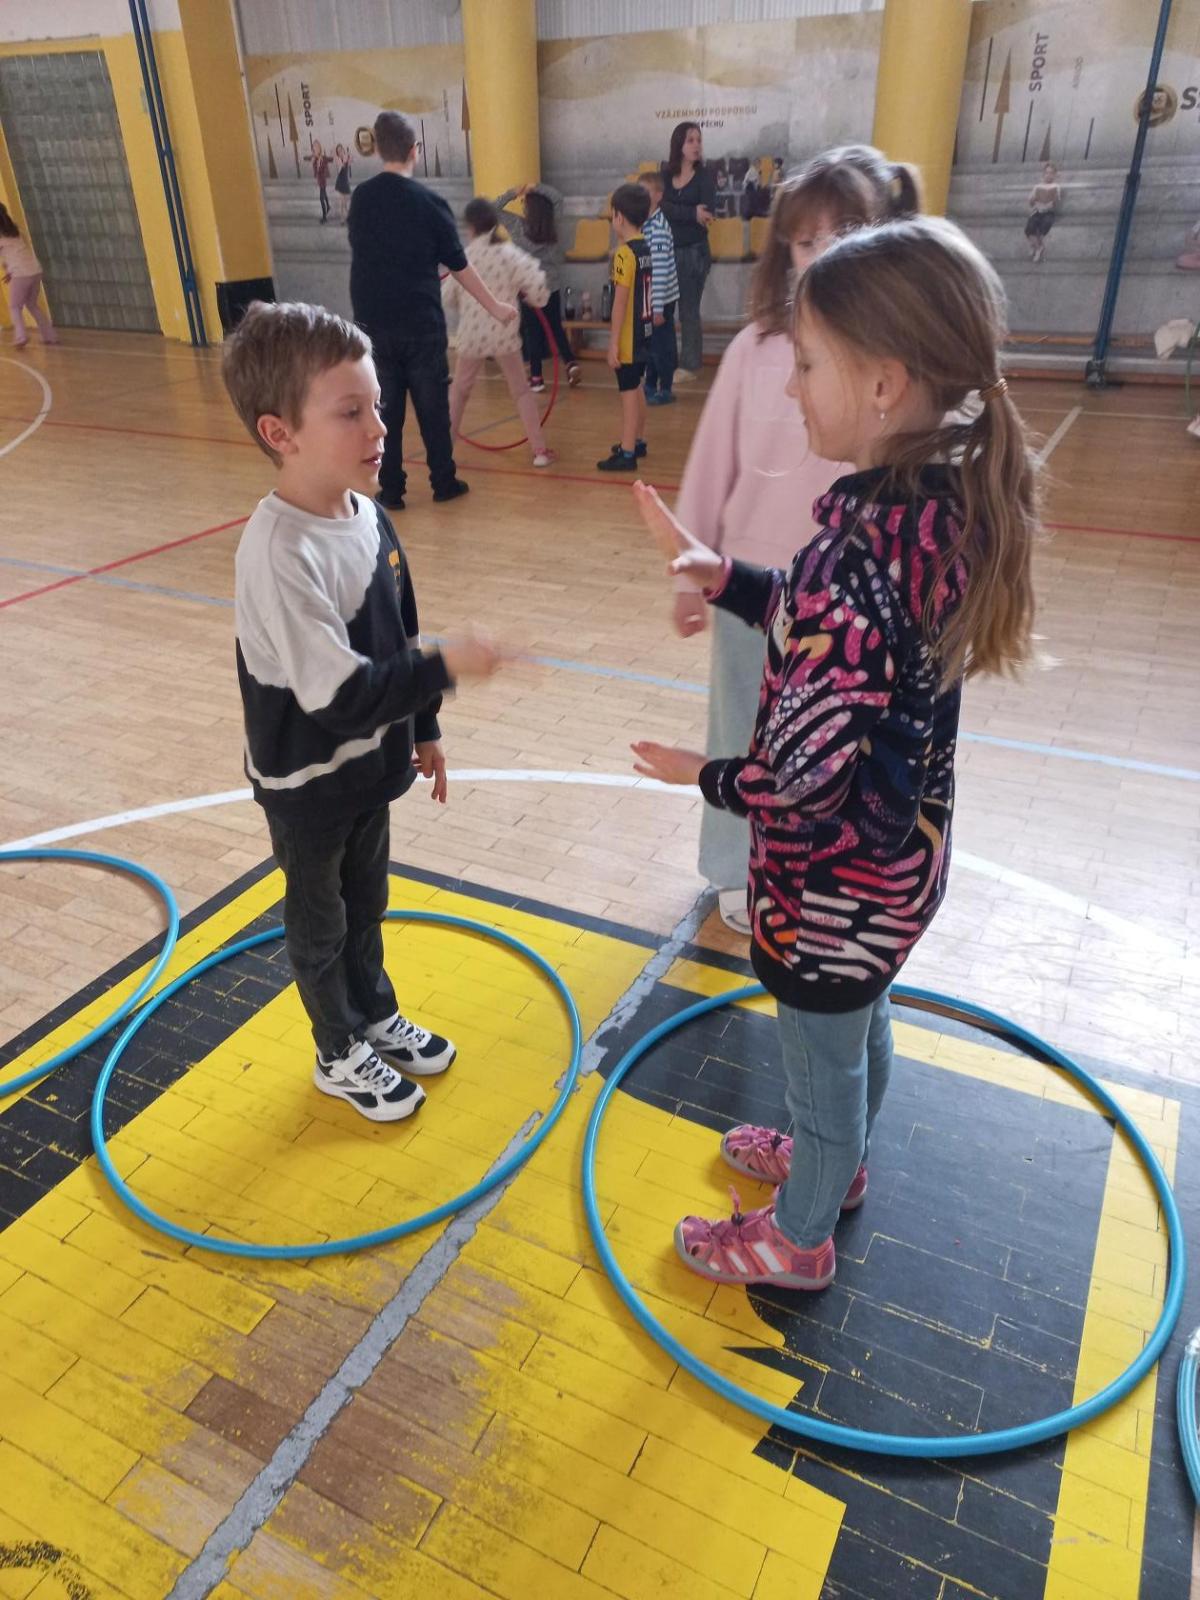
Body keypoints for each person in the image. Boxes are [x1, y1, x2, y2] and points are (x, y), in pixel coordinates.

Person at [631, 212, 1039, 1291]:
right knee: (859, 1029)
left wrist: (702, 775)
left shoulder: (851, 563)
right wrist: (731, 578)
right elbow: (841, 639)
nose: (792, 384)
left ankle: (799, 1234)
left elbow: (801, 777)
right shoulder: (932, 520)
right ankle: (838, 1160)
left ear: (884, 387)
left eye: (809, 363)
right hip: (894, 877)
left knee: (820, 1061)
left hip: (826, 896)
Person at [222, 300, 507, 1121]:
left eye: (377, 405)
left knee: (367, 902)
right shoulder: (279, 554)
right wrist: (448, 666)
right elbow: (343, 696)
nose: (380, 427)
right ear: (281, 433)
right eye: (351, 412)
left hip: (371, 767)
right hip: (310, 782)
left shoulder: (368, 514)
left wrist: (426, 726)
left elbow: (399, 631)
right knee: (320, 923)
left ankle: (373, 1013)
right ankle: (336, 1048)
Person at [673, 146, 921, 934]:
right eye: (807, 239)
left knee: (829, 744)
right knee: (739, 725)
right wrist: (688, 573)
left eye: (844, 233)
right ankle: (730, 867)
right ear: (785, 250)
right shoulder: (756, 348)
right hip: (749, 580)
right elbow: (712, 460)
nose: (823, 253)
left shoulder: (894, 359)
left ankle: (815, 867)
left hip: (852, 598)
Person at [348, 111, 517, 512]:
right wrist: (495, 306)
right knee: (432, 408)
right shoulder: (429, 203)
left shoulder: (362, 199)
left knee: (384, 410)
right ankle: (443, 481)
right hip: (420, 324)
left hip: (373, 324)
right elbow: (459, 265)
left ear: (379, 150)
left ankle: (391, 490)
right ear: (415, 151)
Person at [445, 198, 555, 469]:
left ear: (470, 227)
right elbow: (538, 283)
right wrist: (535, 298)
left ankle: (443, 453)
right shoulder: (509, 253)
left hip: (472, 335)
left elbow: (447, 295)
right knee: (521, 391)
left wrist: (464, 303)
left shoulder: (464, 256)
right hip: (503, 332)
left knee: (459, 392)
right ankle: (539, 451)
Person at [496, 180, 580, 390]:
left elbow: (492, 209)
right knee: (556, 327)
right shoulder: (554, 224)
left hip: (528, 288)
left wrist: (513, 192)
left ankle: (536, 378)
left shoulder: (517, 226)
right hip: (551, 285)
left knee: (532, 331)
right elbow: (558, 198)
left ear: (528, 209)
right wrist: (536, 187)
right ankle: (570, 363)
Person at [597, 183, 653, 473]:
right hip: (645, 332)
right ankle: (638, 441)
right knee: (637, 387)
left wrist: (613, 343)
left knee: (628, 394)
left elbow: (619, 303)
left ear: (619, 217)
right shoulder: (644, 248)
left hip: (630, 337)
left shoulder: (623, 254)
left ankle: (628, 452)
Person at [659, 122, 716, 382]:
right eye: (690, 140)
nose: (696, 145)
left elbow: (707, 214)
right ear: (679, 145)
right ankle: (667, 359)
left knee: (688, 310)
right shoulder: (665, 175)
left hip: (694, 252)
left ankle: (690, 365)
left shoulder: (705, 177)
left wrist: (680, 212)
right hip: (667, 251)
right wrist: (691, 212)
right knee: (665, 310)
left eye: (699, 140)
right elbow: (660, 206)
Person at [641, 171, 679, 406]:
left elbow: (660, 272)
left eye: (645, 192)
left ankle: (665, 387)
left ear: (658, 196)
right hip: (650, 298)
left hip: (660, 300)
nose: (641, 197)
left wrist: (656, 309)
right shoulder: (645, 225)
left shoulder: (659, 229)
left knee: (662, 346)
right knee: (650, 345)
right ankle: (650, 383)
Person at [0, 204, 58, 348]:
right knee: (32, 304)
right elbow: (17, 253)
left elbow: (8, 257)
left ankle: (21, 337)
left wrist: (10, 270)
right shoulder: (16, 231)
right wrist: (10, 271)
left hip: (20, 274)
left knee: (15, 307)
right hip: (35, 271)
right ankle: (50, 336)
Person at [1025, 163, 1060, 264]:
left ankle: (1035, 247)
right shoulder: (1037, 186)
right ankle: (1038, 247)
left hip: (1048, 212)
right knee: (1029, 228)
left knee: (1045, 225)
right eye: (1047, 173)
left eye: (1051, 173)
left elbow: (1056, 202)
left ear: (1054, 175)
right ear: (1043, 174)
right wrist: (1032, 199)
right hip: (1037, 211)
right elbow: (1031, 203)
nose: (1049, 175)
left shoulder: (1056, 186)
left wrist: (1051, 202)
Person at [309, 139, 332, 224]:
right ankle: (328, 206)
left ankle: (324, 217)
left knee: (321, 198)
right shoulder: (314, 158)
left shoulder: (322, 157)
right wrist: (313, 161)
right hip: (319, 179)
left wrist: (320, 162)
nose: (315, 148)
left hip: (322, 179)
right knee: (324, 193)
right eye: (314, 147)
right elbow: (313, 169)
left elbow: (324, 168)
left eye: (317, 146)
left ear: (319, 148)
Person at [333, 142, 352, 223]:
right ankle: (342, 218)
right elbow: (340, 167)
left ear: (343, 150)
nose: (340, 151)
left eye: (341, 149)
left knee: (345, 201)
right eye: (338, 151)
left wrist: (349, 156)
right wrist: (343, 161)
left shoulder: (346, 157)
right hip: (340, 181)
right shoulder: (338, 159)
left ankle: (347, 216)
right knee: (342, 201)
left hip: (345, 181)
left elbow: (350, 163)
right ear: (337, 152)